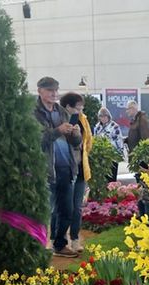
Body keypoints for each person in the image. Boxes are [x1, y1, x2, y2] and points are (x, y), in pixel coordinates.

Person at [35, 76, 82, 258]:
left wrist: (75, 134)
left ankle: (60, 244)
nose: (54, 93)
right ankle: (38, 247)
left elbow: (74, 142)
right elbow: (36, 140)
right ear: (40, 91)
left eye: (56, 90)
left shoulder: (62, 112)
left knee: (67, 210)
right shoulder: (34, 113)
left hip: (65, 168)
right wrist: (57, 131)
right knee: (44, 212)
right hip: (45, 170)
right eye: (49, 90)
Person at [60, 92, 94, 251]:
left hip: (81, 168)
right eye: (77, 107)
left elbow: (88, 142)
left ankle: (74, 239)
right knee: (66, 208)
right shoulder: (60, 120)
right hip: (66, 169)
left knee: (77, 207)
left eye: (81, 106)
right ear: (68, 107)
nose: (80, 109)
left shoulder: (83, 120)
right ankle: (59, 240)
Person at [94, 107, 123, 185]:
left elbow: (119, 141)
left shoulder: (115, 126)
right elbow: (95, 140)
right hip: (100, 157)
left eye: (105, 116)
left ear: (108, 116)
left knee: (112, 181)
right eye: (101, 116)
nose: (103, 118)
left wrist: (119, 154)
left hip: (112, 156)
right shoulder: (97, 127)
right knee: (102, 179)